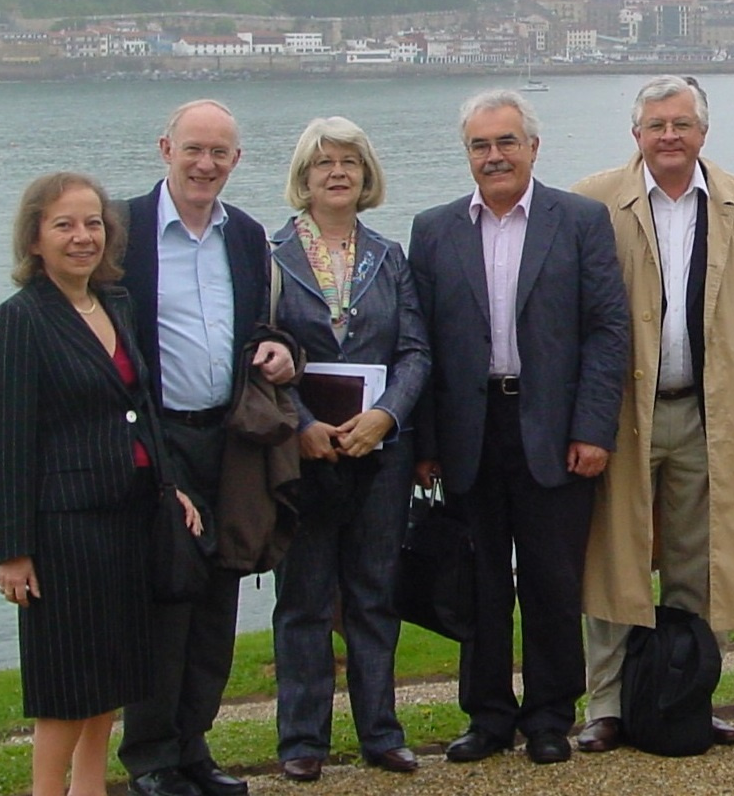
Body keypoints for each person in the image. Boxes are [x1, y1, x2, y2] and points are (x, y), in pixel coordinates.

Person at [408, 90, 630, 765]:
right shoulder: (433, 228)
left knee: (551, 584)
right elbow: (417, 342)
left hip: (555, 428)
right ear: (467, 153)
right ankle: (486, 718)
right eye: (480, 145)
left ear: (532, 146)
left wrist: (594, 428)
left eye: (506, 142)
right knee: (477, 587)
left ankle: (547, 719)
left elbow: (606, 330)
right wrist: (424, 445)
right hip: (468, 430)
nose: (494, 156)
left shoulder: (581, 221)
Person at [573, 74, 734, 752]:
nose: (669, 136)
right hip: (622, 416)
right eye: (656, 125)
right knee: (615, 560)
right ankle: (605, 705)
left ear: (703, 131)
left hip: (710, 414)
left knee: (702, 564)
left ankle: (688, 698)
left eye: (681, 124)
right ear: (635, 134)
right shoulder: (591, 202)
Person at [0, 173, 200, 796]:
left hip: (128, 518)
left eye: (93, 224)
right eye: (65, 225)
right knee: (69, 684)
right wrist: (12, 550)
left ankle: (91, 788)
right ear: (35, 238)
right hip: (63, 531)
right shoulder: (19, 322)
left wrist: (169, 486)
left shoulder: (114, 303)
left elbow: (141, 407)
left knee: (115, 675)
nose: (82, 237)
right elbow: (7, 443)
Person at [119, 99, 295, 796]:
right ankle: (151, 758)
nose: (205, 164)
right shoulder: (122, 229)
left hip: (229, 443)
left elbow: (259, 327)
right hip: (158, 440)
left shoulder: (247, 237)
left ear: (236, 161)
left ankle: (194, 747)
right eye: (193, 149)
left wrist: (281, 351)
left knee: (219, 599)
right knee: (166, 597)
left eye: (219, 153)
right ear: (166, 147)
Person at [268, 117, 431, 781]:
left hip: (380, 455)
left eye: (349, 163)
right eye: (323, 163)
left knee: (373, 594)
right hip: (302, 454)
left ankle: (381, 732)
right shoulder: (270, 257)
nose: (337, 173)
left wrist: (387, 417)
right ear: (303, 177)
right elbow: (259, 349)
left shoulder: (390, 256)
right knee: (303, 599)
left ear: (367, 176)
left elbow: (416, 350)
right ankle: (302, 741)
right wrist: (302, 421)